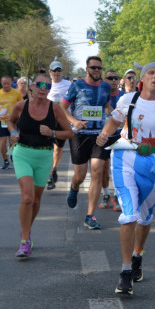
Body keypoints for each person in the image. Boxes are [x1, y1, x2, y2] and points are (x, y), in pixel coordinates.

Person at [96, 62, 155, 297]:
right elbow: (114, 121)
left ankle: (138, 254)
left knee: (144, 217)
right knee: (129, 215)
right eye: (151, 73)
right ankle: (125, 273)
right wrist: (105, 133)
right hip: (125, 156)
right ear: (143, 79)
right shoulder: (128, 100)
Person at [6, 72, 74, 259]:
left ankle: (26, 231)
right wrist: (13, 133)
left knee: (36, 200)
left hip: (44, 156)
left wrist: (52, 132)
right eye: (40, 85)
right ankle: (25, 240)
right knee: (27, 197)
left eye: (47, 86)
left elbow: (69, 133)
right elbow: (11, 121)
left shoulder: (55, 109)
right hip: (23, 154)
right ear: (32, 87)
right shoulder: (21, 106)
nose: (43, 89)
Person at [61, 56, 114, 230]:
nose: (97, 70)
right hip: (80, 134)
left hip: (99, 135)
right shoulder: (76, 86)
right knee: (81, 175)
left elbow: (106, 106)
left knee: (97, 172)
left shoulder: (106, 87)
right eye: (93, 67)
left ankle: (90, 215)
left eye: (99, 68)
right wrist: (74, 121)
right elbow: (62, 108)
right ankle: (74, 187)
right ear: (87, 69)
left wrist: (111, 112)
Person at [46, 60, 73, 190]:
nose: (57, 73)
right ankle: (49, 174)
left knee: (58, 149)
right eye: (54, 71)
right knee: (47, 149)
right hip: (49, 121)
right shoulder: (46, 85)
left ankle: (54, 168)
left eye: (59, 70)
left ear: (62, 72)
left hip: (63, 122)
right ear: (50, 72)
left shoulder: (68, 85)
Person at [99, 70, 123, 211]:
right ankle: (106, 194)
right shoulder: (100, 95)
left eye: (116, 78)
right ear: (104, 79)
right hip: (104, 135)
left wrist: (112, 112)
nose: (113, 80)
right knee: (103, 167)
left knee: (118, 167)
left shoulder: (123, 96)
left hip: (120, 136)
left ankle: (116, 195)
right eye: (110, 78)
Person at [0, 75, 22, 168]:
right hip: (2, 121)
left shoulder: (17, 93)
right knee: (2, 142)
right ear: (1, 83)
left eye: (8, 83)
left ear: (11, 83)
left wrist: (20, 115)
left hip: (14, 121)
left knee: (12, 141)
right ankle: (5, 160)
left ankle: (11, 154)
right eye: (4, 84)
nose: (6, 85)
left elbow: (22, 105)